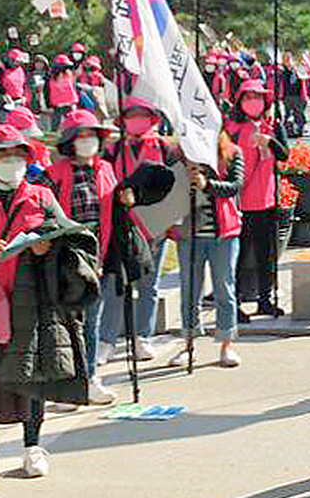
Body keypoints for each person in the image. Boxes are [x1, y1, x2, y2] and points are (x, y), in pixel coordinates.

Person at [0, 124, 90, 480]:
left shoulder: (41, 197)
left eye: (17, 156)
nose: (11, 162)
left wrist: (48, 245)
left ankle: (32, 447)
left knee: (33, 372)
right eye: (3, 156)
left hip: (31, 297)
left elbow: (70, 233)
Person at [44, 109, 121, 405]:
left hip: (95, 260)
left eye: (92, 135)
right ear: (70, 141)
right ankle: (64, 385)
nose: (87, 141)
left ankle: (89, 379)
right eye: (81, 136)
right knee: (64, 324)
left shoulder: (106, 170)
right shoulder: (54, 174)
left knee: (91, 323)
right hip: (63, 259)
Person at [105, 97, 174, 363]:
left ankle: (143, 336)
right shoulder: (111, 150)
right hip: (121, 226)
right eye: (131, 115)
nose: (137, 120)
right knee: (115, 285)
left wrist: (171, 222)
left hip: (154, 226)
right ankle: (107, 339)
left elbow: (174, 186)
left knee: (150, 285)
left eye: (142, 115)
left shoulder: (163, 147)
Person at [175, 129, 246, 368]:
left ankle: (227, 344)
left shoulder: (232, 153)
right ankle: (188, 344)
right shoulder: (180, 156)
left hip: (223, 235)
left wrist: (208, 184)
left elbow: (234, 186)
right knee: (190, 290)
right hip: (189, 234)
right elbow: (168, 188)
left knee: (224, 289)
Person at [226, 80, 291, 319]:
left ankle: (266, 299)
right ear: (240, 101)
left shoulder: (273, 125)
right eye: (248, 97)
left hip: (267, 200)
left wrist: (270, 142)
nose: (253, 102)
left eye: (258, 97)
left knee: (267, 253)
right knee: (240, 256)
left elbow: (285, 155)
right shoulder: (231, 128)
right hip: (239, 202)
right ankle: (235, 303)